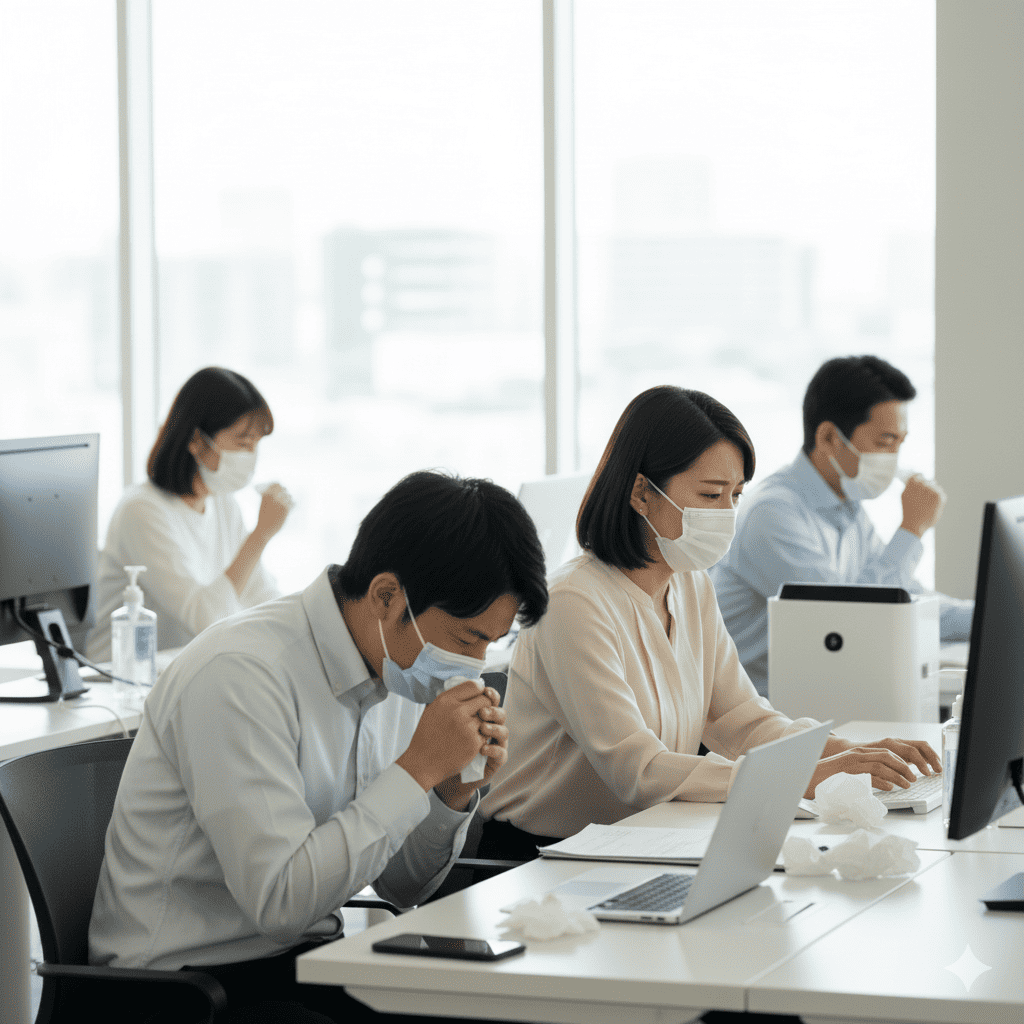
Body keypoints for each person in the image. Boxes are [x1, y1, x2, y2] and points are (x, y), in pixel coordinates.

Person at [88, 470, 548, 1024]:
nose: (473, 666)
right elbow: (280, 903)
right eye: (467, 638)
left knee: (500, 1005)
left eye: (490, 644)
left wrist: (446, 790)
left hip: (303, 963)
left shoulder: (400, 668)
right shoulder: (242, 674)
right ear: (386, 595)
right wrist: (416, 770)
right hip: (183, 988)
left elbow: (401, 888)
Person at [479, 385, 940, 859]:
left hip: (639, 837)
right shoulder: (573, 601)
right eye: (710, 494)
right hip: (539, 856)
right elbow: (636, 770)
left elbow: (738, 718)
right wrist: (802, 774)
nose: (726, 514)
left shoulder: (689, 583)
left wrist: (840, 751)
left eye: (735, 495)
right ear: (641, 492)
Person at [709, 355, 973, 697]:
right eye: (885, 442)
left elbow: (907, 599)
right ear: (830, 437)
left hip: (822, 700)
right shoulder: (773, 513)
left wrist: (995, 617)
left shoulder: (847, 508)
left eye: (900, 443)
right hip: (763, 720)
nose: (895, 458)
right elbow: (851, 622)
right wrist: (912, 528)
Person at [87, 367, 294, 661]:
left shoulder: (223, 505)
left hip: (183, 669)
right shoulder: (142, 511)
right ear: (197, 440)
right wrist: (260, 536)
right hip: (119, 679)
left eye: (256, 445)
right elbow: (205, 619)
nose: (251, 456)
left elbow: (261, 595)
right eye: (242, 443)